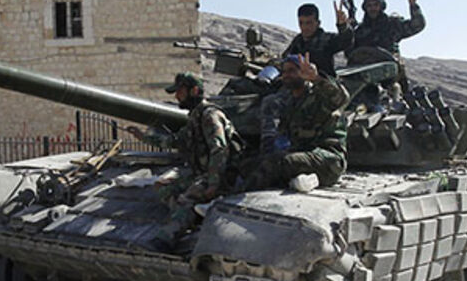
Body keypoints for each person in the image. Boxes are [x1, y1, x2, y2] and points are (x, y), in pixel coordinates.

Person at [125, 72, 241, 247]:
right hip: (202, 174)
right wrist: (143, 137)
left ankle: (166, 238)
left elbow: (220, 149)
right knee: (162, 186)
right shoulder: (195, 117)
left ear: (194, 91)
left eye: (180, 91)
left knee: (186, 198)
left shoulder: (210, 115)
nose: (177, 96)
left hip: (222, 175)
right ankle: (190, 216)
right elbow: (175, 141)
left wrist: (213, 182)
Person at [243, 54, 349, 191]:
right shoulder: (289, 102)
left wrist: (316, 78)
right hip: (301, 155)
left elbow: (342, 98)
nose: (287, 75)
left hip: (328, 161)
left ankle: (243, 194)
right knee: (249, 163)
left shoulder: (319, 96)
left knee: (278, 162)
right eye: (284, 71)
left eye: (292, 70)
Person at [281, 3, 353, 78]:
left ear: (318, 23)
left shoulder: (325, 39)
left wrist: (343, 26)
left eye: (309, 23)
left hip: (323, 84)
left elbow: (345, 42)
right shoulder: (298, 41)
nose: (304, 27)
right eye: (301, 23)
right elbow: (286, 58)